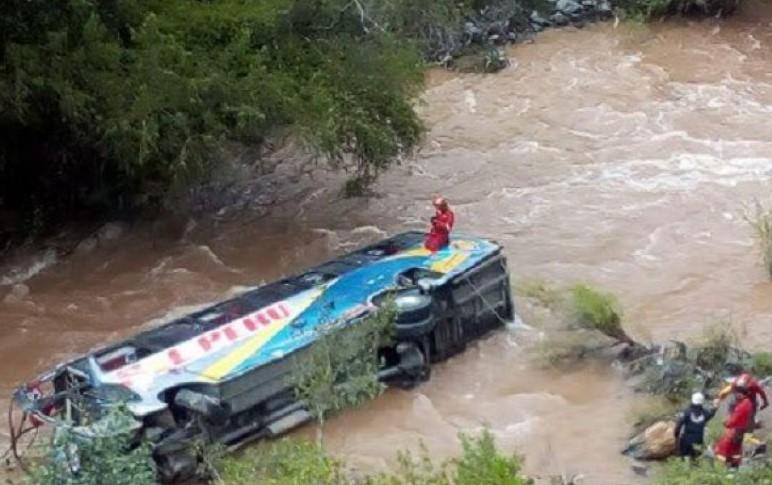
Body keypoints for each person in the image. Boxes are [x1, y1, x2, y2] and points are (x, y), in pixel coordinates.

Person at [714, 384, 754, 467]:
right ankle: (734, 468)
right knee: (735, 451)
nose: (735, 395)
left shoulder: (742, 405)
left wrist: (726, 423)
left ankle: (719, 468)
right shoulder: (749, 403)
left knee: (722, 450)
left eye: (736, 393)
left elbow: (733, 420)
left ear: (740, 393)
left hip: (734, 431)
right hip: (741, 431)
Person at [674, 392, 715, 459]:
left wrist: (676, 436)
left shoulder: (686, 412)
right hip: (698, 442)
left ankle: (682, 461)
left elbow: (678, 425)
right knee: (695, 459)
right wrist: (714, 408)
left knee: (684, 457)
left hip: (686, 442)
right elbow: (710, 415)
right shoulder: (705, 413)